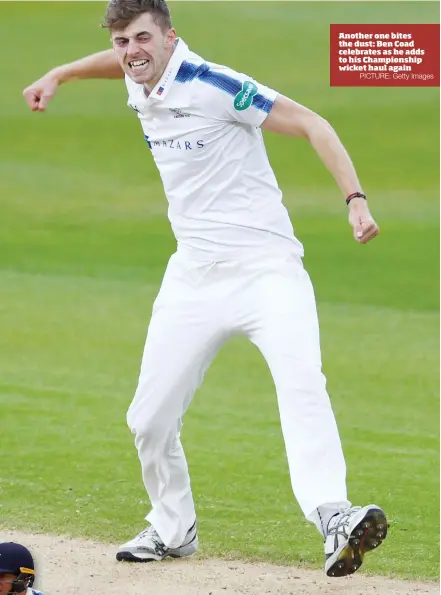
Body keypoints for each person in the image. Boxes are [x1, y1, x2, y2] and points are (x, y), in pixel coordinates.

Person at [22, 0, 388, 577]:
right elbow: (116, 62)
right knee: (148, 420)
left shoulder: (216, 85)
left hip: (267, 270)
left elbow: (315, 124)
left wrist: (355, 201)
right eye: (121, 43)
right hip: (192, 275)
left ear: (171, 38)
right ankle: (173, 528)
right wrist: (61, 74)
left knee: (302, 386)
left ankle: (334, 516)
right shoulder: (137, 73)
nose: (131, 52)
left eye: (142, 38)